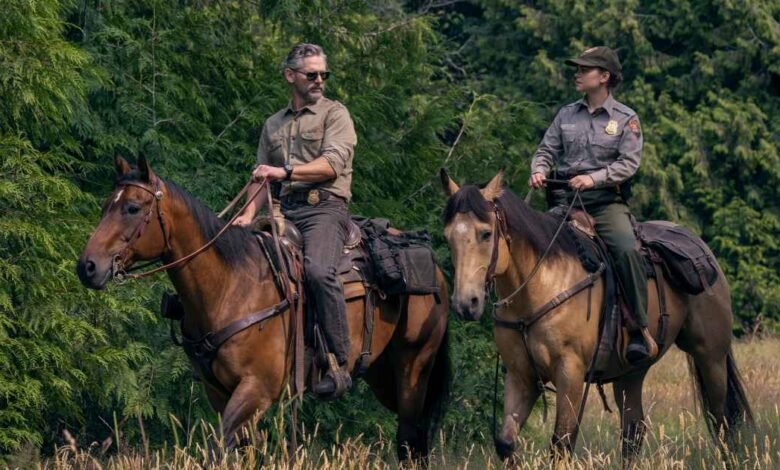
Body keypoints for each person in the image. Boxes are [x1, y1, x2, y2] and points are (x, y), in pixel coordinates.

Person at [234, 43, 357, 398]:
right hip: (284, 211)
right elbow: (261, 177)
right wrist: (245, 216)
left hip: (325, 209)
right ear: (290, 76)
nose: (319, 80)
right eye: (311, 74)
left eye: (323, 74)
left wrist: (283, 171)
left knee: (318, 271)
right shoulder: (273, 124)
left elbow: (331, 165)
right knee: (244, 264)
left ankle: (338, 361)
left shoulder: (335, 114)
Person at [529, 46, 658, 364]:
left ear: (604, 77)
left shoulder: (626, 119)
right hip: (565, 201)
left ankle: (637, 328)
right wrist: (539, 169)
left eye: (584, 69)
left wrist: (594, 178)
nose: (577, 74)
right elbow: (546, 149)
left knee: (626, 250)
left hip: (604, 203)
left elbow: (629, 163)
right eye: (577, 68)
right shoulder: (566, 114)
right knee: (531, 244)